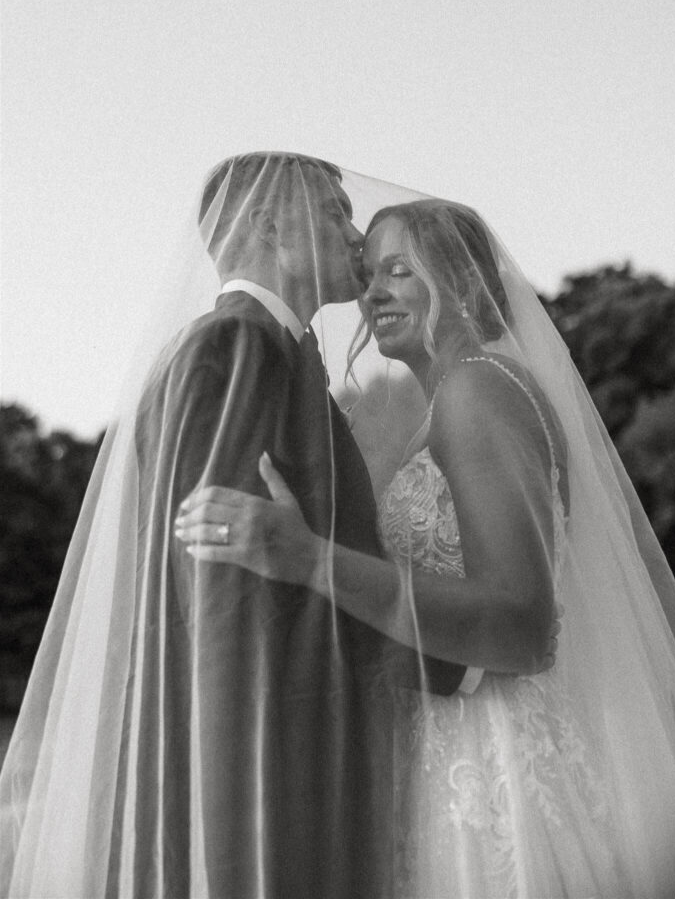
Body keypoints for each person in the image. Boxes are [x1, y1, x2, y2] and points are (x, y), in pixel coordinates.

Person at [2, 153, 546, 899]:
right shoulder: (229, 349)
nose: (352, 238)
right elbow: (221, 592)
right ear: (269, 224)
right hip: (263, 765)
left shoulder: (283, 356)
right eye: (333, 212)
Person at [177, 188, 675, 897]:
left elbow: (522, 625)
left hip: (492, 764)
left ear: (463, 284)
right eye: (370, 270)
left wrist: (310, 560)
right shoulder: (449, 402)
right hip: (444, 753)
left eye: (398, 271)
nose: (369, 289)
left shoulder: (479, 390)